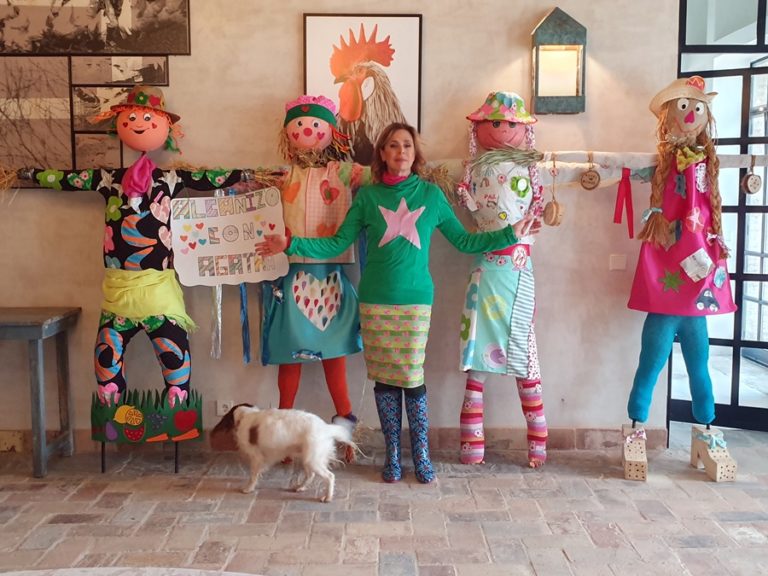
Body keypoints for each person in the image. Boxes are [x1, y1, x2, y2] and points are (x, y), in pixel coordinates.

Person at [256, 122, 535, 484]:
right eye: (392, 145)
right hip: (375, 301)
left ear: (415, 154)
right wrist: (290, 244)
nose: (400, 151)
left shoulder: (431, 196)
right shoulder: (368, 197)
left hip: (415, 303)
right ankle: (392, 455)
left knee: (412, 377)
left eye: (406, 145)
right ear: (383, 154)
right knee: (385, 381)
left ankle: (420, 453)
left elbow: (465, 242)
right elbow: (336, 243)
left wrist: (510, 233)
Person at [19, 85, 250, 444]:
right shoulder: (109, 179)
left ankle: (175, 420)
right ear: (119, 124)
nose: (139, 123)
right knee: (105, 361)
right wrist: (30, 174)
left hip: (159, 295)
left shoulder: (171, 178)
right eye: (131, 118)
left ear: (166, 128)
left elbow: (210, 178)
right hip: (118, 296)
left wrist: (249, 175)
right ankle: (116, 423)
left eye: (147, 118)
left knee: (176, 364)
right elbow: (67, 179)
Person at [626, 76, 737, 480]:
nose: (690, 115)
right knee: (650, 363)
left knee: (699, 366)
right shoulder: (666, 163)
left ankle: (707, 427)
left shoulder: (708, 165)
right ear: (671, 116)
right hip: (667, 291)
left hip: (697, 291)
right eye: (684, 107)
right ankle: (636, 427)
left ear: (706, 116)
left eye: (697, 108)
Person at [262, 95, 368, 456]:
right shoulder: (282, 176)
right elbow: (246, 191)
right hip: (290, 275)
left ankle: (346, 430)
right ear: (288, 134)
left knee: (334, 352)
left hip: (331, 277)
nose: (307, 131)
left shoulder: (343, 172)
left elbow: (379, 176)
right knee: (288, 354)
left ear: (331, 132)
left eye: (315, 125)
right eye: (299, 126)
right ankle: (282, 434)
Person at [455, 91, 547, 468]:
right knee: (477, 362)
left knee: (526, 358)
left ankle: (538, 444)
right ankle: (471, 446)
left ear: (523, 128)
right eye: (495, 122)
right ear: (479, 128)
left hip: (519, 273)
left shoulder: (531, 167)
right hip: (485, 273)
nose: (504, 128)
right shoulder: (472, 169)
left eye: (511, 123)